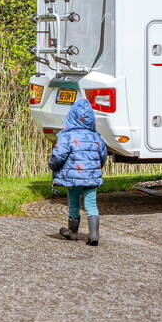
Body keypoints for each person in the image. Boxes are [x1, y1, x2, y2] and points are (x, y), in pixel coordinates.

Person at [49, 98, 107, 246]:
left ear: (72, 116)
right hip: (91, 177)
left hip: (73, 179)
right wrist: (95, 168)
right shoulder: (96, 136)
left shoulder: (66, 136)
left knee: (74, 203)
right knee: (91, 204)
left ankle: (73, 232)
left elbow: (58, 156)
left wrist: (52, 165)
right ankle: (94, 234)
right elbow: (103, 156)